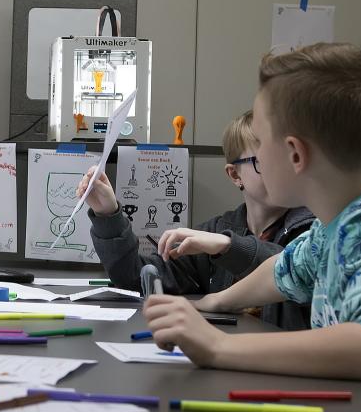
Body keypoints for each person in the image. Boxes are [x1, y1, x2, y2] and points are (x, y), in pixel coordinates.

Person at [144, 43, 361, 410]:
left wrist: (218, 346)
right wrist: (212, 303)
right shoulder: (335, 227)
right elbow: (281, 271)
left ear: (295, 154)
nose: (258, 155)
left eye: (261, 143)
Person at [79, 111, 314, 330]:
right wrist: (108, 214)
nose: (281, 171)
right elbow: (133, 277)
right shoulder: (220, 229)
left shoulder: (314, 229)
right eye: (263, 162)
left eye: (287, 160)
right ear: (235, 174)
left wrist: (228, 246)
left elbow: (295, 267)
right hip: (226, 353)